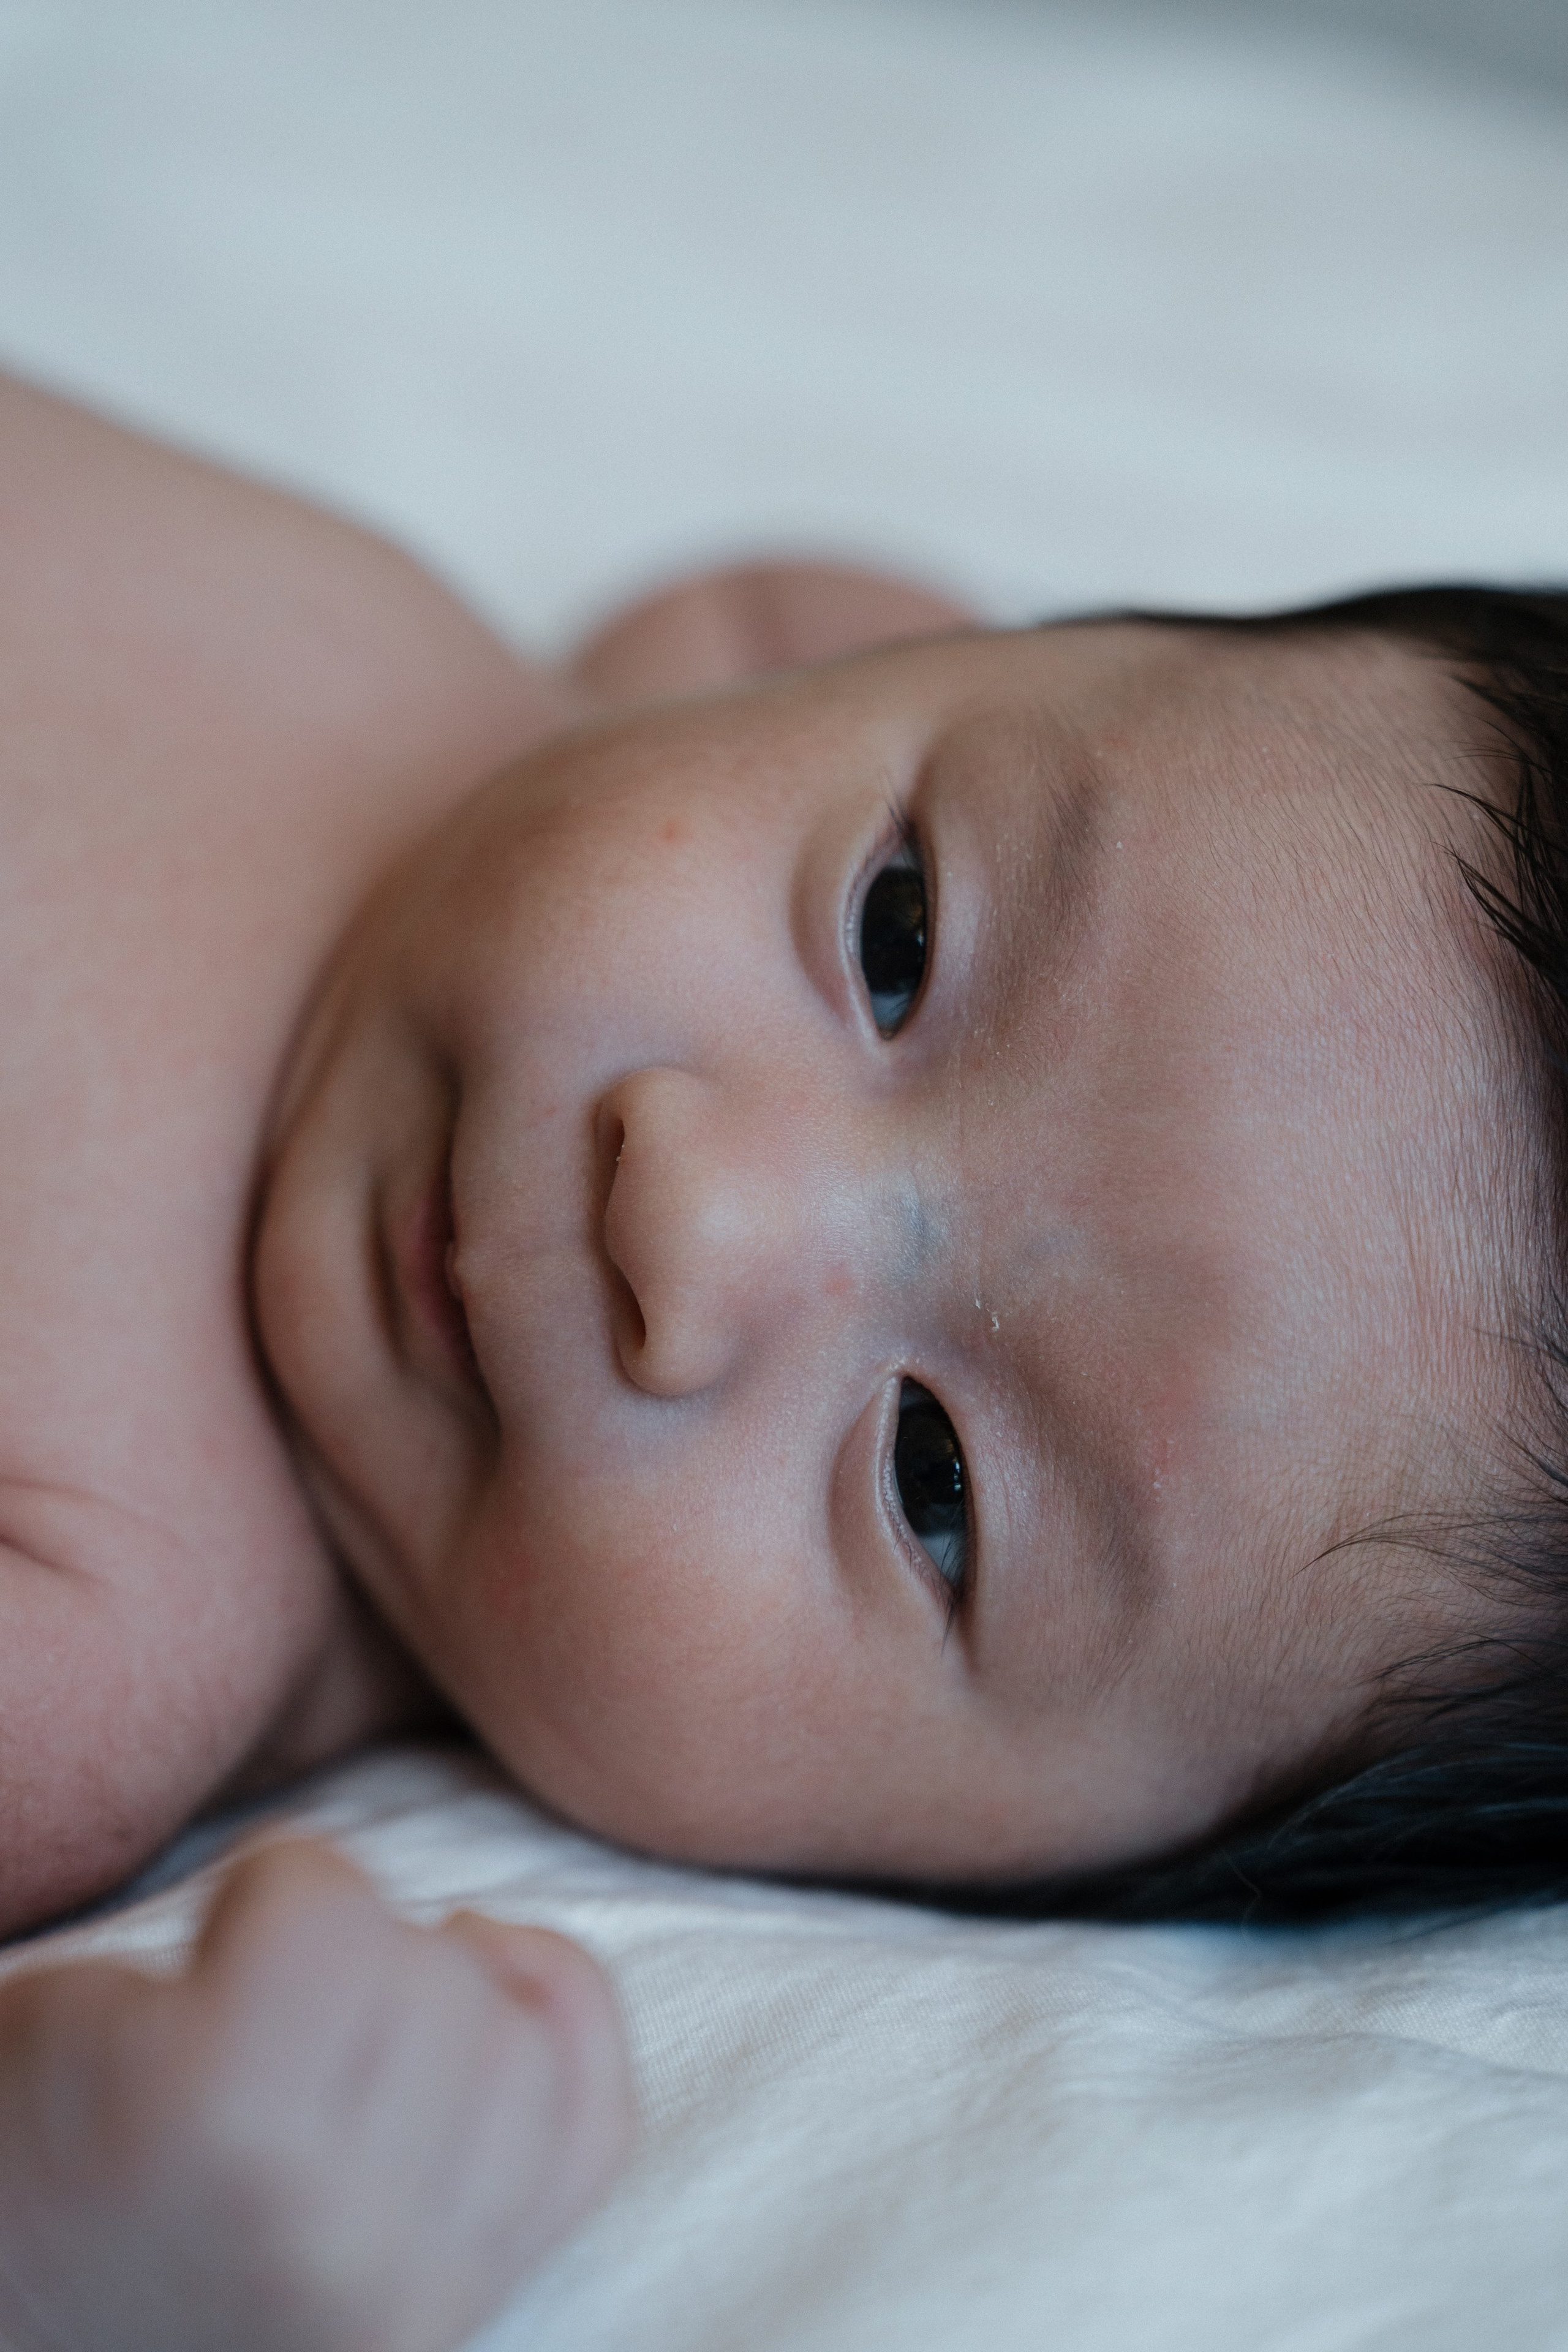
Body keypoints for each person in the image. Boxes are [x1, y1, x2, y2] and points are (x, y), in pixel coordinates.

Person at [1, 365, 1566, 2346]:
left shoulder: (100, 1626)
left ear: (988, 1883)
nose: (693, 1219)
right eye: (898, 935)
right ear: (930, 658)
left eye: (935, 1485)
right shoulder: (682, 688)